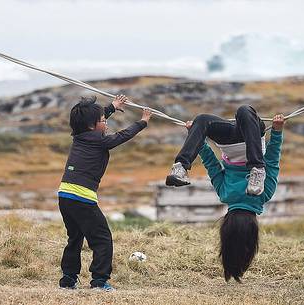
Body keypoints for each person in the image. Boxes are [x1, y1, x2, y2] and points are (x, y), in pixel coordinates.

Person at [172, 110, 285, 282]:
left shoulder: (262, 195)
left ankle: (181, 165)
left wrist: (197, 133)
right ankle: (256, 168)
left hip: (229, 143)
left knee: (204, 120)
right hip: (251, 138)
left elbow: (273, 160)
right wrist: (276, 133)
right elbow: (212, 164)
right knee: (243, 113)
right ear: (227, 222)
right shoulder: (243, 194)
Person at [58, 94, 152, 290]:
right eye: (103, 120)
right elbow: (122, 136)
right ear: (93, 126)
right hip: (82, 197)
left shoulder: (79, 136)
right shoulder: (100, 141)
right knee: (102, 239)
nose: (106, 123)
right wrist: (142, 122)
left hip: (65, 195)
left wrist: (112, 107)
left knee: (75, 237)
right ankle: (99, 281)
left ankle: (68, 279)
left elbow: (94, 122)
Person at [166, 105, 268, 195]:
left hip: (228, 144)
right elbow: (273, 160)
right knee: (245, 110)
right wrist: (277, 130)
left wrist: (195, 130)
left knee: (202, 119)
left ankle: (181, 166)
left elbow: (211, 163)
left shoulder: (225, 194)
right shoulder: (263, 193)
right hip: (253, 136)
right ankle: (258, 169)